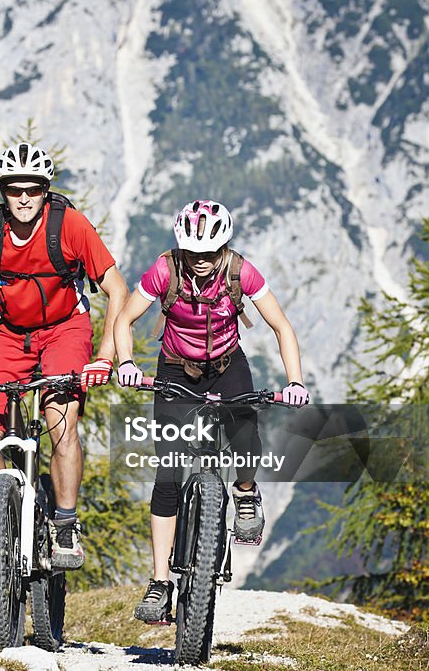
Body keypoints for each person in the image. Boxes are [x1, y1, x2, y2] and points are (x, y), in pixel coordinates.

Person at [0, 142, 129, 569]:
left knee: (60, 421)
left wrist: (105, 356)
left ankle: (66, 525)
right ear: (3, 192)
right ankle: (3, 520)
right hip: (9, 335)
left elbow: (117, 289)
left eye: (34, 188)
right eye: (15, 190)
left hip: (66, 330)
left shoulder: (68, 226)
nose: (25, 197)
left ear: (46, 190)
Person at [113, 199, 309, 621]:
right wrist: (126, 363)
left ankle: (243, 491)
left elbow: (282, 327)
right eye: (192, 253)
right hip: (175, 370)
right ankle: (160, 583)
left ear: (223, 248)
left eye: (209, 253)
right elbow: (123, 320)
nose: (200, 261)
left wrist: (294, 381)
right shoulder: (164, 270)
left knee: (245, 432)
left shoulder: (241, 273)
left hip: (226, 365)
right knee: (167, 476)